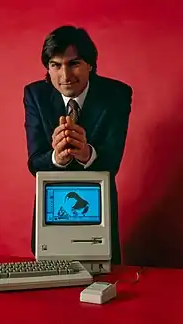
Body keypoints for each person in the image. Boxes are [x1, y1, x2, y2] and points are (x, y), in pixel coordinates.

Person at [23, 25, 133, 264]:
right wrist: (56, 158)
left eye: (74, 63)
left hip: (99, 215)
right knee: (51, 291)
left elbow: (112, 162)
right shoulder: (35, 95)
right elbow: (34, 163)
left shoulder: (117, 94)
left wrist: (86, 154)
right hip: (50, 213)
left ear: (90, 65)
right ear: (48, 68)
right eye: (55, 65)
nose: (65, 75)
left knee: (101, 284)